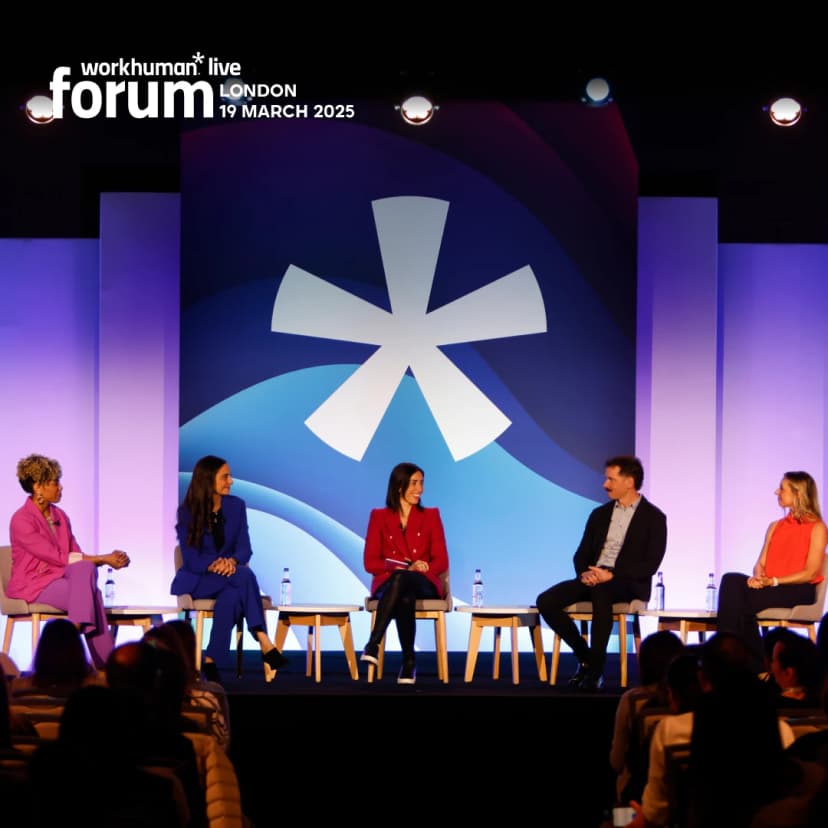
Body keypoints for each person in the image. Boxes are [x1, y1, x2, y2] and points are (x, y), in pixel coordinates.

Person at [536, 455, 667, 690]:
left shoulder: (654, 518)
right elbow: (581, 554)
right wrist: (585, 574)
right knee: (546, 600)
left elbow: (650, 564)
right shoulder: (599, 514)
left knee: (602, 591)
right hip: (594, 577)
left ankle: (594, 672)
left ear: (629, 482)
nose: (605, 484)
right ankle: (586, 657)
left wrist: (612, 575)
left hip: (628, 582)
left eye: (611, 479)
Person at [170, 454, 287, 682]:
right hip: (199, 580)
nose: (230, 481)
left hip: (230, 578)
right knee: (244, 575)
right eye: (225, 477)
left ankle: (211, 660)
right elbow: (191, 559)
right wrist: (217, 564)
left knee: (232, 596)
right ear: (208, 480)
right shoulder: (187, 512)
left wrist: (231, 562)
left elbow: (245, 549)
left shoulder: (236, 506)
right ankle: (262, 638)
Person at [8, 453, 130, 669]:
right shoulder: (21, 520)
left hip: (61, 578)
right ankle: (107, 666)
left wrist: (104, 560)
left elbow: (76, 556)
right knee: (94, 594)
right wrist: (104, 558)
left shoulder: (61, 517)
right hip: (35, 585)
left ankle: (75, 630)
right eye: (55, 482)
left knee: (85, 570)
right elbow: (55, 557)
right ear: (38, 487)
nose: (61, 487)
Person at [717, 471, 827, 674]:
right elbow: (760, 564)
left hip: (799, 589)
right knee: (731, 580)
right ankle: (753, 664)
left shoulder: (817, 527)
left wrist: (774, 581)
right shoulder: (775, 526)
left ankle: (729, 659)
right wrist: (758, 577)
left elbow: (811, 573)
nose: (777, 492)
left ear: (798, 493)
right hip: (771, 586)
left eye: (782, 489)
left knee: (738, 601)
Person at [360, 462, 449, 685]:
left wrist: (423, 567)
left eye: (422, 483)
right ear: (399, 487)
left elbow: (442, 560)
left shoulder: (431, 516)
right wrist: (397, 567)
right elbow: (370, 562)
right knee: (404, 595)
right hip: (389, 582)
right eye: (414, 483)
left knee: (402, 580)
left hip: (424, 582)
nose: (420, 489)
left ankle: (373, 643)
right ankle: (409, 662)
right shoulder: (379, 517)